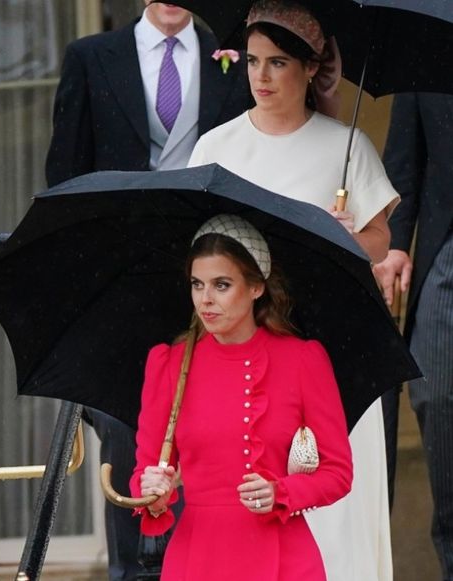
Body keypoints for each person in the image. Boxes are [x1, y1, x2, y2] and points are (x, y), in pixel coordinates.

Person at [187, 1, 399, 578]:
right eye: (253, 61)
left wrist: (348, 238)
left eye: (277, 63)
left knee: (333, 503)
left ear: (310, 69)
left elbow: (380, 239)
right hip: (244, 354)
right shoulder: (215, 148)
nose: (261, 76)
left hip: (331, 342)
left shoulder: (347, 145)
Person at [44, 3, 249, 576]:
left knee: (208, 423)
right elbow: (64, 178)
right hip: (118, 277)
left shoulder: (233, 60)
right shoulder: (90, 57)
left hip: (208, 272)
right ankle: (134, 568)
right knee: (125, 424)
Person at [131, 213, 353, 580]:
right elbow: (147, 470)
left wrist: (282, 491)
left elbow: (338, 472)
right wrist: (152, 492)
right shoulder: (169, 364)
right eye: (197, 284)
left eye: (221, 285)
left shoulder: (302, 360)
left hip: (284, 558)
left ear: (256, 288)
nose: (205, 300)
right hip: (197, 558)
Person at [375, 92, 453, 579]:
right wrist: (396, 243)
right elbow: (405, 156)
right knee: (435, 394)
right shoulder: (427, 51)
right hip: (447, 248)